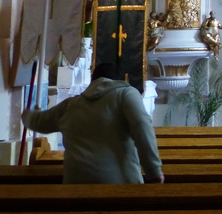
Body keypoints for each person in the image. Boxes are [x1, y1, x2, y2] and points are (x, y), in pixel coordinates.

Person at [21, 62, 163, 184]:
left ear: (92, 80)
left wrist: (27, 113)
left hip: (76, 188)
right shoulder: (125, 94)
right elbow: (142, 126)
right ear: (118, 80)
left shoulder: (70, 105)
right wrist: (153, 170)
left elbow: (38, 122)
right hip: (120, 185)